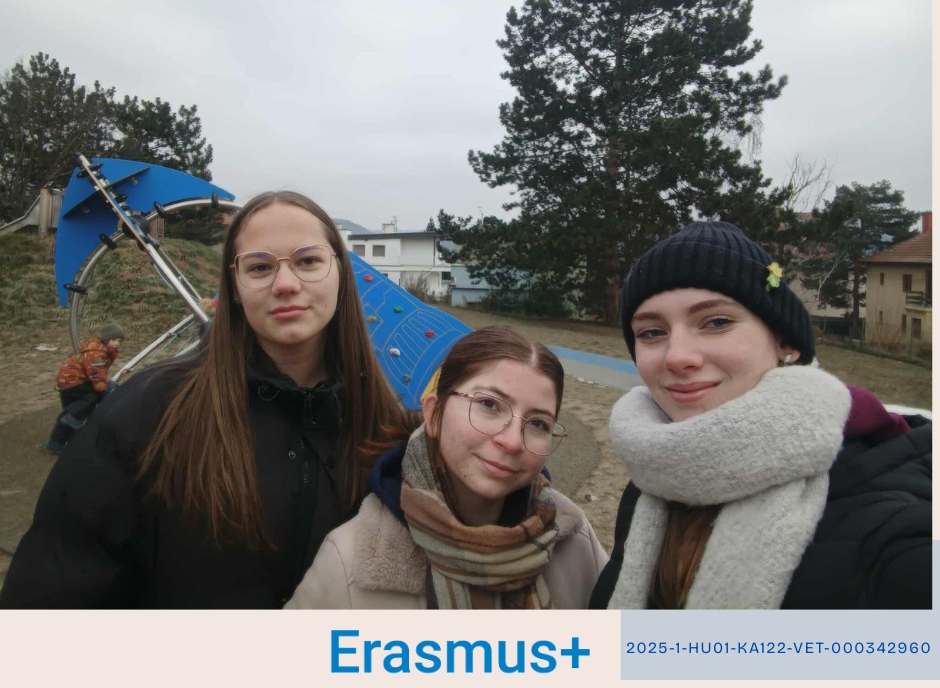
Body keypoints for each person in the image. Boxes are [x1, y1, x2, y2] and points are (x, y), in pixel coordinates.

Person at [0, 191, 414, 609]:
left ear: (340, 272)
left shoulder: (383, 420)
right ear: (233, 286)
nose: (286, 284)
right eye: (259, 267)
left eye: (308, 261)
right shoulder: (147, 413)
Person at [589, 221, 931, 610]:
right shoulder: (653, 478)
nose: (677, 357)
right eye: (651, 332)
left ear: (785, 342)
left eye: (717, 322)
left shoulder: (892, 520)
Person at [286, 325, 608, 609]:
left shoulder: (574, 542)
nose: (512, 442)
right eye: (489, 404)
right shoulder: (350, 563)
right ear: (433, 414)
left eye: (538, 423)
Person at [44, 322, 125, 455]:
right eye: (114, 339)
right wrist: (105, 390)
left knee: (70, 414)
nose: (117, 343)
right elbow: (96, 374)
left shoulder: (102, 350)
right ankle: (72, 419)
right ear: (106, 338)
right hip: (73, 381)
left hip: (69, 381)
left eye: (119, 341)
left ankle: (55, 443)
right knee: (91, 398)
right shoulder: (96, 353)